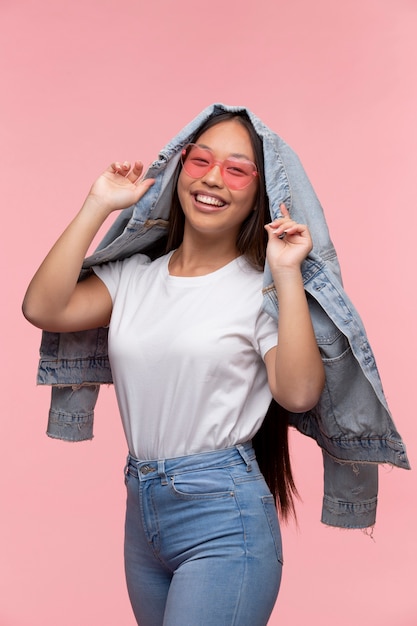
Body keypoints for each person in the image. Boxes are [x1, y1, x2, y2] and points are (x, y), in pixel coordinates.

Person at [22, 110, 325, 625]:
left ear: (261, 190)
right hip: (142, 510)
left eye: (236, 170)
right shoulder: (134, 277)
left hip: (223, 516)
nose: (211, 178)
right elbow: (43, 308)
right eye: (200, 160)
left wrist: (287, 274)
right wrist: (97, 204)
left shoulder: (262, 291)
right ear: (179, 169)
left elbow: (298, 393)